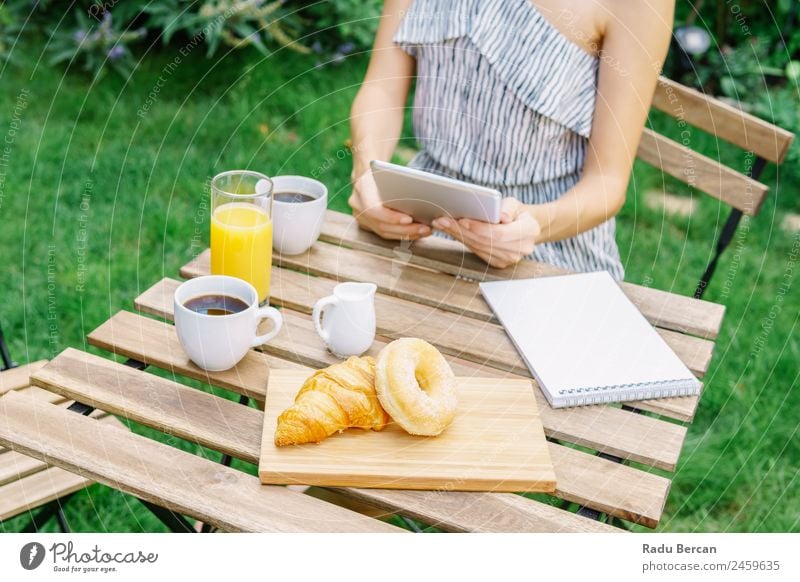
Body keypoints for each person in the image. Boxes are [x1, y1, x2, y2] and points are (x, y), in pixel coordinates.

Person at [348, 0, 674, 278]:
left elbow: (607, 182)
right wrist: (367, 174)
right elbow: (382, 88)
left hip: (547, 248)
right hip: (419, 220)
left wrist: (535, 226)